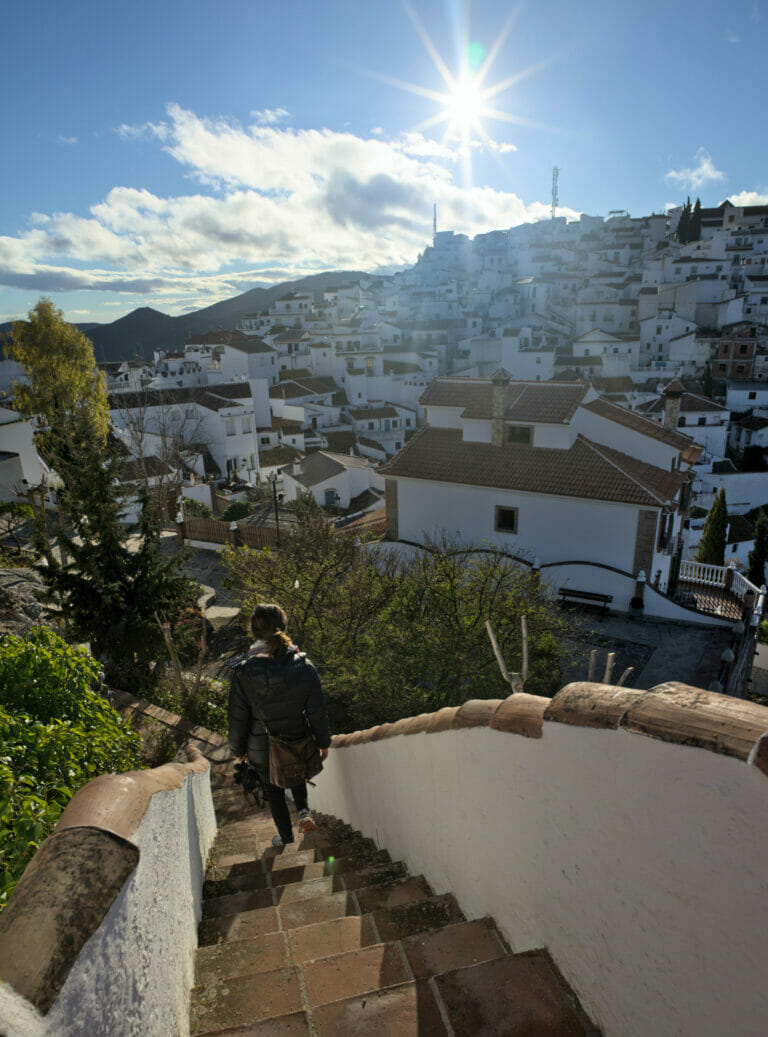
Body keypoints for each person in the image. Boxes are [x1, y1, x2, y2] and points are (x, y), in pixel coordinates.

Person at [228, 603, 330, 847]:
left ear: (254, 633)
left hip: (260, 744)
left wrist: (237, 751)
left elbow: (238, 717)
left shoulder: (243, 672)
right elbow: (317, 710)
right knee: (295, 772)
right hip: (297, 735)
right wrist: (323, 742)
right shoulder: (304, 666)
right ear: (283, 627)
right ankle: (304, 812)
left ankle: (285, 837)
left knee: (272, 789)